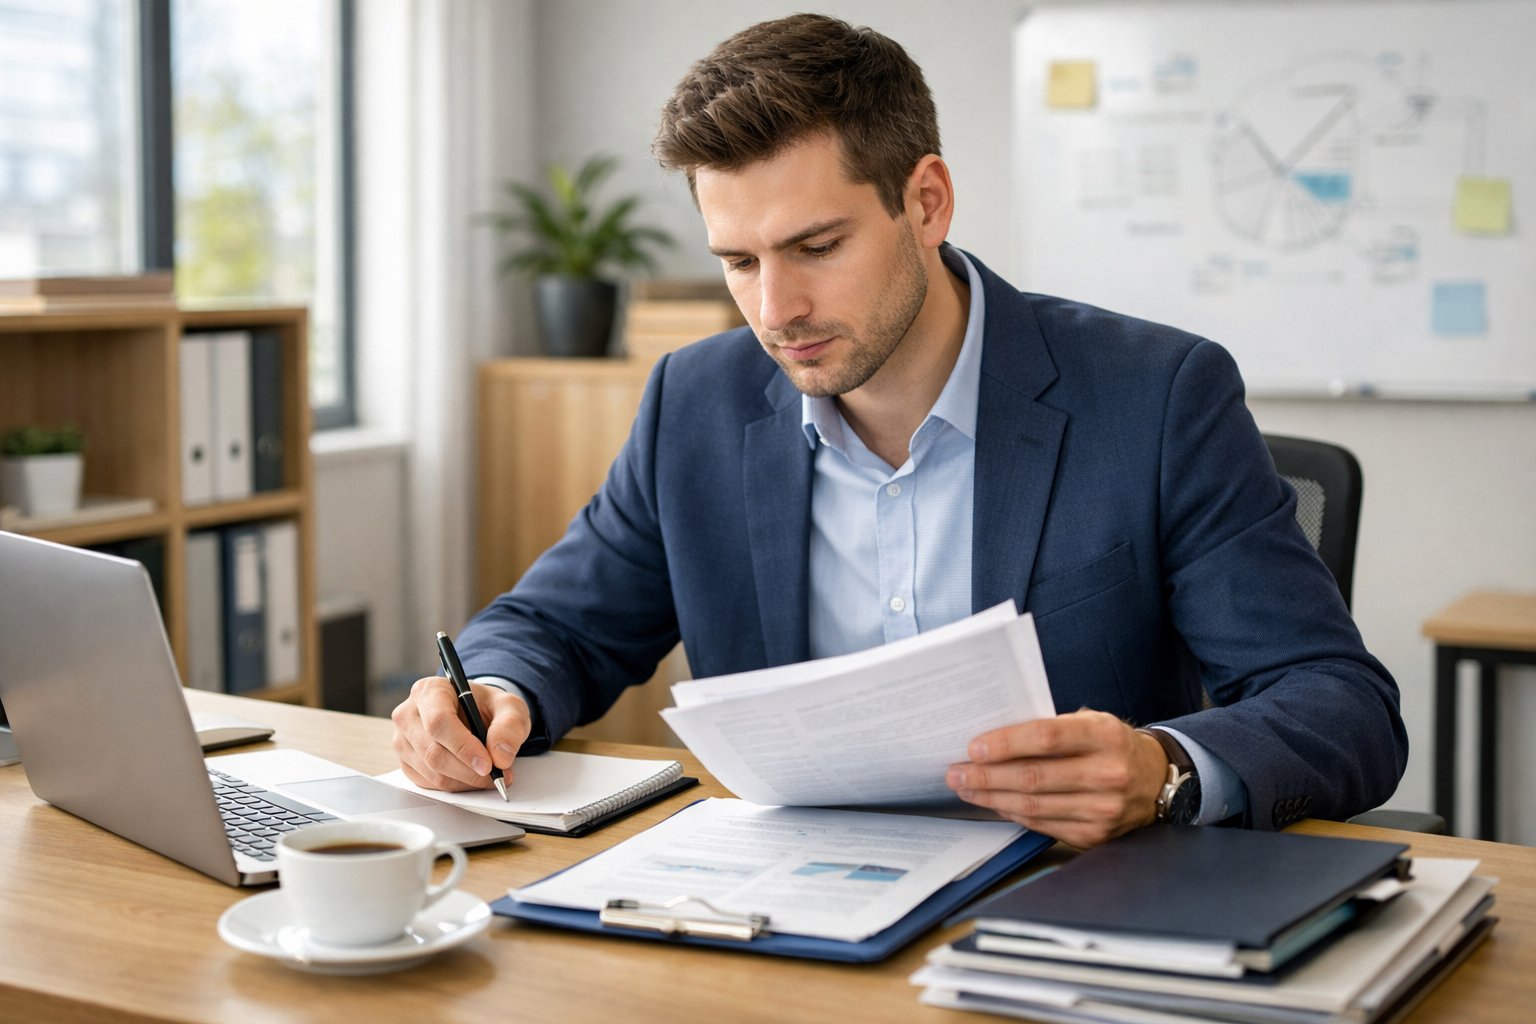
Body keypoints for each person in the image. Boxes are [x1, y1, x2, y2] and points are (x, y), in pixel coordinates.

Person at [392, 13, 1407, 848]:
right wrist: (489, 691)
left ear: (926, 202)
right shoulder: (694, 404)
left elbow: (1340, 703)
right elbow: (557, 626)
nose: (776, 309)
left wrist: (1164, 767)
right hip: (788, 909)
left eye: (817, 246)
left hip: (1066, 902)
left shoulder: (1156, 397)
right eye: (739, 261)